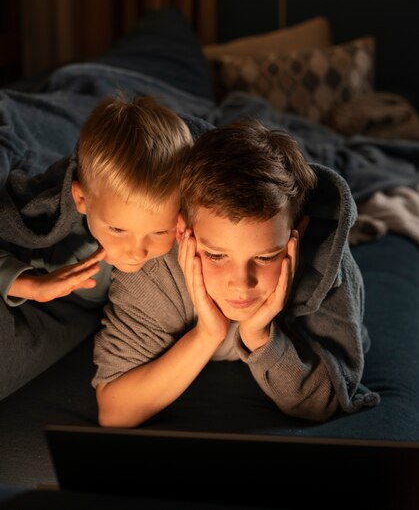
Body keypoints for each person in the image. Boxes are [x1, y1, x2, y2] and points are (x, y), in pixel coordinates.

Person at [92, 119, 380, 427]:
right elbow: (114, 411)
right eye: (216, 255)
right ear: (182, 232)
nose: (242, 284)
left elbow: (327, 401)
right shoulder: (157, 266)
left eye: (266, 256)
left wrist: (259, 337)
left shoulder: (325, 264)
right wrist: (207, 335)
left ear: (297, 233)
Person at [0, 93, 209, 400]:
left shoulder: (180, 239)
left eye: (158, 231)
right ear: (81, 200)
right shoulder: (60, 228)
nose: (136, 251)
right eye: (117, 229)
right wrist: (31, 285)